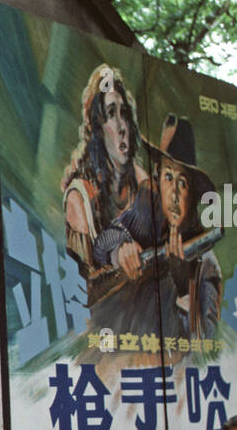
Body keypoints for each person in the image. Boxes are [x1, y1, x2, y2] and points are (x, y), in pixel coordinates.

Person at [93, 114, 222, 343]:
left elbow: (206, 348)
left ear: (192, 194)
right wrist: (120, 249)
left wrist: (184, 290)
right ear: (158, 179)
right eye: (168, 177)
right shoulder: (145, 214)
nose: (173, 194)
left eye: (182, 183)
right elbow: (103, 242)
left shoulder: (207, 265)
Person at [61, 64, 148, 281]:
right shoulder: (79, 198)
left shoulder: (142, 182)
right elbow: (86, 288)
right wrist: (118, 253)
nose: (121, 126)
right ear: (98, 127)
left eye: (124, 113)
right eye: (110, 114)